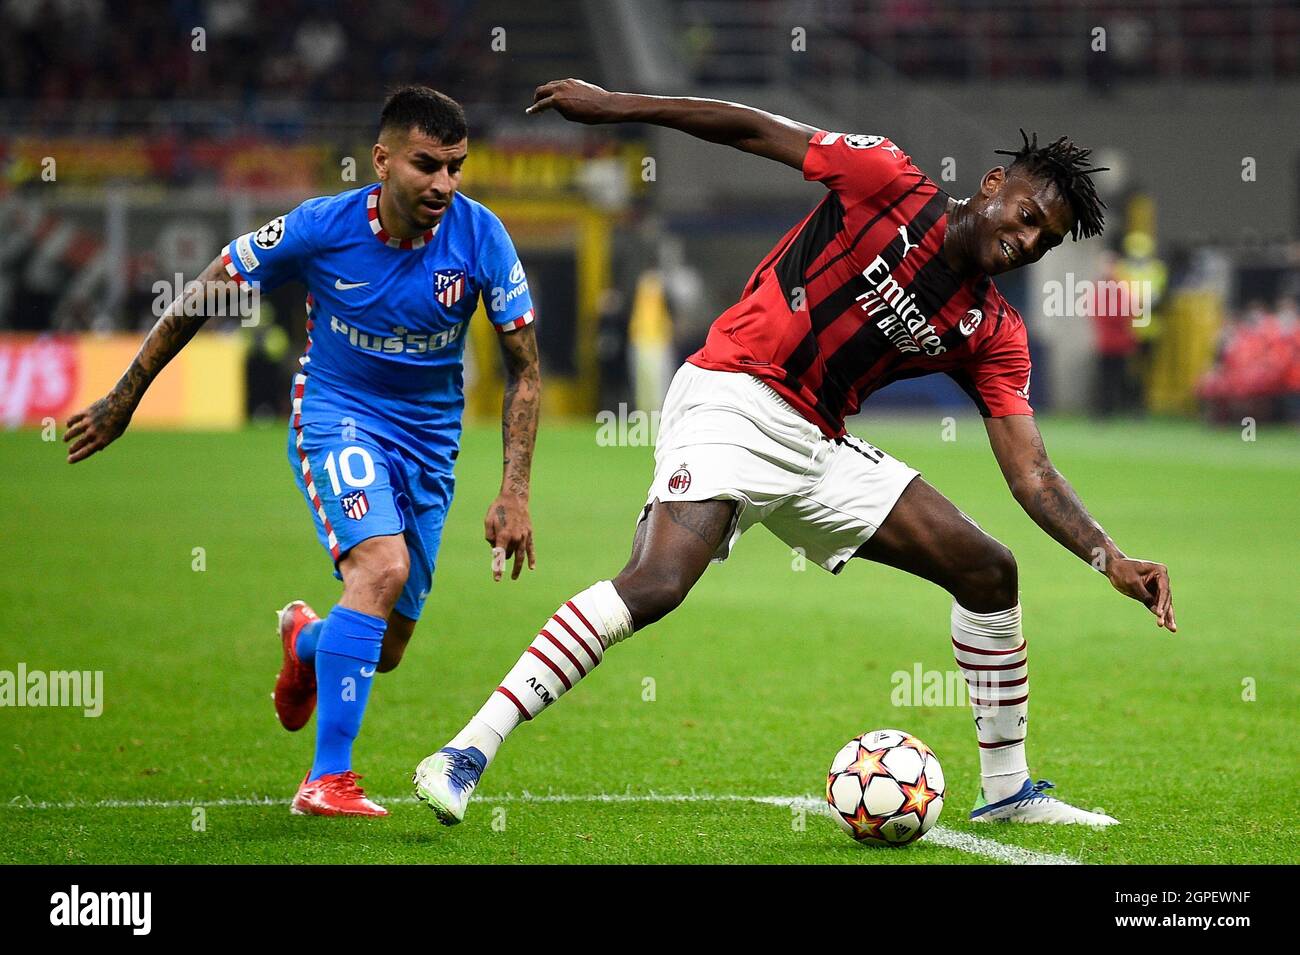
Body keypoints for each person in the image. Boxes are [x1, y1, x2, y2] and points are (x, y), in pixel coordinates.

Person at [415, 78, 1176, 831]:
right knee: (654, 583)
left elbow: (1032, 470)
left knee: (989, 569)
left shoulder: (990, 329)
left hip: (818, 443)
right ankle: (463, 752)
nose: (1030, 240)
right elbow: (752, 127)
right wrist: (617, 106)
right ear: (993, 184)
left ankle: (1007, 790)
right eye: (1030, 216)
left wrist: (1108, 555)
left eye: (1046, 239)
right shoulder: (886, 182)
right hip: (733, 395)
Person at [64, 86, 542, 817]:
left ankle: (306, 641)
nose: (445, 184)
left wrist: (515, 490)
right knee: (382, 566)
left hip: (428, 445)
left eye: (457, 166)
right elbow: (212, 286)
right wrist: (127, 395)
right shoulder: (322, 227)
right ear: (382, 160)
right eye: (427, 165)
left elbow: (525, 369)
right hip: (336, 416)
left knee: (384, 644)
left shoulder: (482, 238)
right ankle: (328, 779)